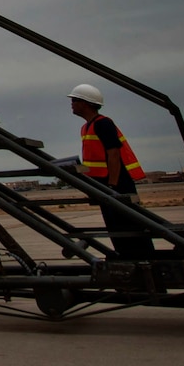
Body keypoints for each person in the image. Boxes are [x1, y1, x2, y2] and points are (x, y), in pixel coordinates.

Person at [70, 83, 152, 260]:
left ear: (86, 103)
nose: (72, 104)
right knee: (116, 228)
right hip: (103, 184)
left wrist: (112, 185)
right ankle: (126, 258)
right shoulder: (86, 127)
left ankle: (141, 260)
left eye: (74, 100)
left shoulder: (103, 123)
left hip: (117, 184)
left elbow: (113, 154)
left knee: (129, 227)